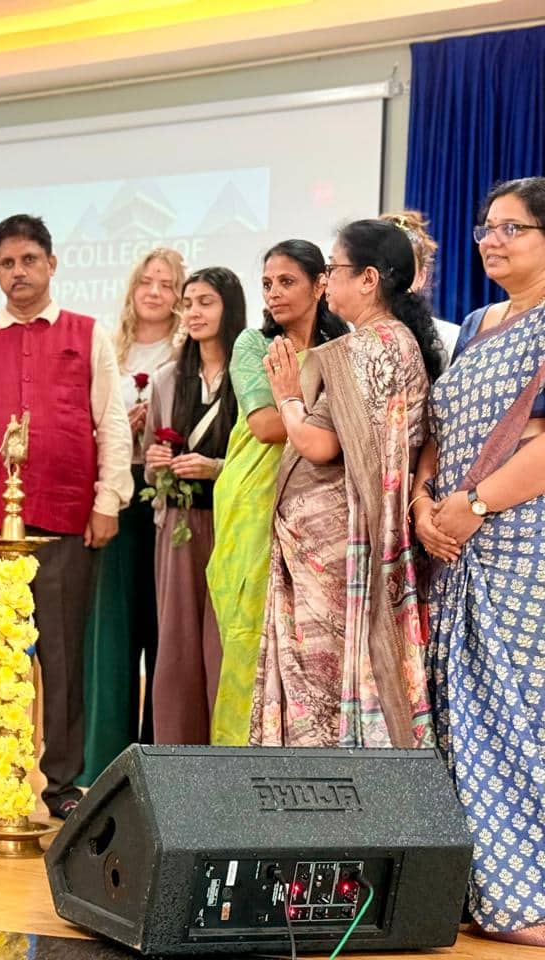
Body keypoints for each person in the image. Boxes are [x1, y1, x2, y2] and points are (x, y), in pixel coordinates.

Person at [0, 214, 131, 821]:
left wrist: (108, 500)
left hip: (65, 520)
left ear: (51, 264)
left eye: (29, 260)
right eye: (6, 263)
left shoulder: (87, 335)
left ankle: (62, 785)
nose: (18, 272)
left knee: (63, 659)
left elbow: (111, 423)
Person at [252, 219, 444, 748]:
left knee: (321, 674)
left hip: (337, 549)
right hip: (357, 543)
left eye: (334, 269)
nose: (327, 281)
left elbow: (317, 444)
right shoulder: (402, 342)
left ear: (368, 279)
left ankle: (319, 785)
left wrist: (288, 395)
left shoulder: (360, 349)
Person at [415, 177, 545, 946]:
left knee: (516, 718)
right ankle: (473, 887)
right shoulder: (474, 324)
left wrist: (474, 505)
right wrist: (424, 499)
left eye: (512, 228)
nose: (492, 240)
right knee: (457, 722)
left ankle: (526, 896)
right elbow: (439, 426)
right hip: (452, 544)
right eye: (486, 227)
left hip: (520, 549)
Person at [206, 241, 349, 745]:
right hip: (254, 497)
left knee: (315, 638)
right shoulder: (254, 344)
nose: (273, 293)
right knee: (248, 632)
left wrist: (301, 401)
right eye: (267, 283)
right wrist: (321, 408)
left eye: (287, 281)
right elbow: (266, 426)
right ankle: (238, 763)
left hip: (322, 504)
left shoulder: (344, 343)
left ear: (320, 284)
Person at [80, 249, 184, 780]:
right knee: (112, 633)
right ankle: (104, 764)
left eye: (167, 284)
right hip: (118, 496)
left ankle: (158, 763)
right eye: (147, 281)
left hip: (169, 497)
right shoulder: (108, 346)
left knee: (165, 632)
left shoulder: (187, 350)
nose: (155, 292)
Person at [141, 267, 244, 744]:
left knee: (222, 642)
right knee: (177, 646)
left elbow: (262, 460)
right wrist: (157, 462)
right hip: (177, 526)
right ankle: (176, 758)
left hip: (232, 525)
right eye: (188, 303)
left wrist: (214, 468)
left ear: (229, 307)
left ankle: (226, 758)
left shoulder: (248, 375)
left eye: (206, 302)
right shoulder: (167, 378)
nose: (194, 313)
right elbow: (150, 463)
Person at [379, 209, 458, 359]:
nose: (392, 277)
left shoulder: (451, 339)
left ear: (421, 276)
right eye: (383, 266)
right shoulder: (348, 335)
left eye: (404, 267)